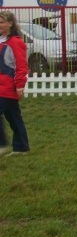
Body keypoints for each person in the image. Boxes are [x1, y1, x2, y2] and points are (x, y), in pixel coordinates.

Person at [0, 11, 30, 157]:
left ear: (10, 24)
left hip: (8, 87)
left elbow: (21, 66)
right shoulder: (2, 41)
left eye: (1, 22)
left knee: (13, 117)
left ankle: (2, 144)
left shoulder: (16, 43)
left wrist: (19, 85)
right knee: (14, 118)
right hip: (2, 87)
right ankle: (21, 147)